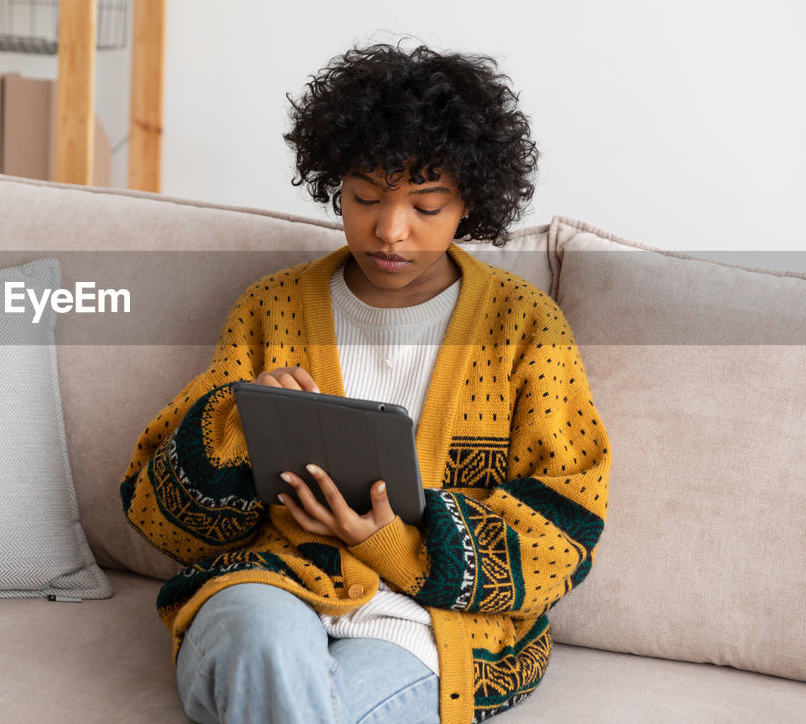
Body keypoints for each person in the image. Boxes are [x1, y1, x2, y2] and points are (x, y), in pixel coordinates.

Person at [119, 42, 611, 724]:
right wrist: (239, 417)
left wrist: (391, 542)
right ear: (335, 183)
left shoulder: (525, 327)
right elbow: (156, 512)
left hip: (429, 621)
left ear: (471, 201)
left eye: (427, 206)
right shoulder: (273, 306)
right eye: (365, 197)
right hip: (272, 588)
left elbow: (564, 528)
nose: (389, 229)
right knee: (262, 648)